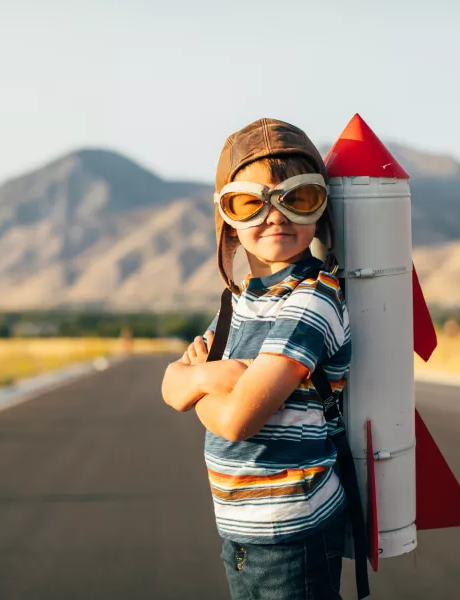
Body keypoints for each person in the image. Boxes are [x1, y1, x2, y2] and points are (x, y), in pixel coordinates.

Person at [161, 118, 354, 599]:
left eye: (299, 197)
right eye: (250, 202)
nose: (276, 215)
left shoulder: (313, 300)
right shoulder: (237, 302)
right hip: (241, 530)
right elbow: (169, 386)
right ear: (227, 216)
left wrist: (200, 381)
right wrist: (216, 375)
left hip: (294, 533)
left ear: (321, 207)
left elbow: (236, 421)